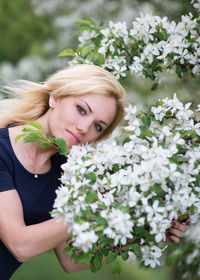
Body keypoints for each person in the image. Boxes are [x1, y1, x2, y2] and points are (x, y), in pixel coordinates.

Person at [0, 64, 189, 279]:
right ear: (55, 97)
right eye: (81, 109)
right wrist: (94, 206)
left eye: (98, 126)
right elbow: (20, 246)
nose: (84, 128)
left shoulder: (67, 173)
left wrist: (146, 230)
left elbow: (72, 259)